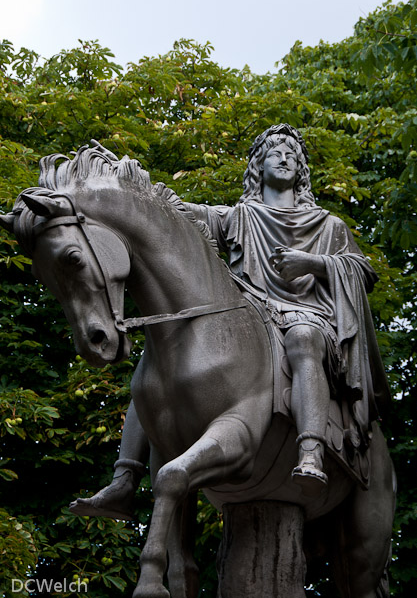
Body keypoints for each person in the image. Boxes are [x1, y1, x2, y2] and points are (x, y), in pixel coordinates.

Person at [70, 124, 390, 517]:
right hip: (251, 319)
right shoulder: (237, 218)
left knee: (303, 338)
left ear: (301, 169)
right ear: (258, 166)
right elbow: (174, 217)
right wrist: (122, 191)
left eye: (292, 152)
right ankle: (124, 480)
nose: (285, 156)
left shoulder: (329, 225)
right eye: (275, 152)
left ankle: (310, 451)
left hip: (308, 317)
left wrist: (313, 263)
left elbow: (362, 271)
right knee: (159, 357)